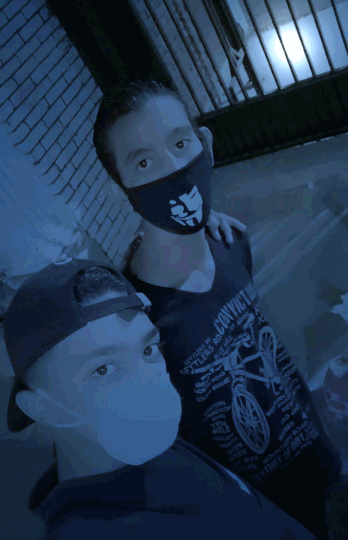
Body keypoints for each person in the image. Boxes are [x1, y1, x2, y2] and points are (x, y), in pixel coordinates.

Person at [92, 79, 343, 539]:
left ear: (204, 143)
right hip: (263, 516)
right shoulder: (136, 324)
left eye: (180, 143)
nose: (174, 169)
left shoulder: (231, 242)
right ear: (117, 187)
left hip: (321, 458)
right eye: (144, 162)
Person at [4, 258, 318, 539]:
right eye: (102, 369)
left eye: (148, 349)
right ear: (42, 409)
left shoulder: (147, 448)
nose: (144, 383)